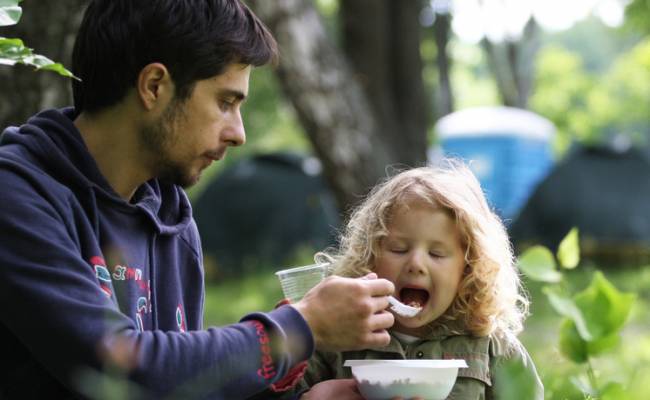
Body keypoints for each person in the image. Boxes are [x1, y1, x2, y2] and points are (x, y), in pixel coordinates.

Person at [0, 1, 395, 399]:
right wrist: (301, 326)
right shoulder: (17, 196)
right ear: (154, 86)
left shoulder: (172, 219)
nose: (238, 133)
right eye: (225, 102)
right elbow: (119, 374)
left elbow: (181, 386)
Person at [288, 160, 545, 399]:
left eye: (436, 253)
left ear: (469, 269)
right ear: (370, 257)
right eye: (399, 249)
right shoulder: (342, 335)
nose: (416, 264)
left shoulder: (491, 347)